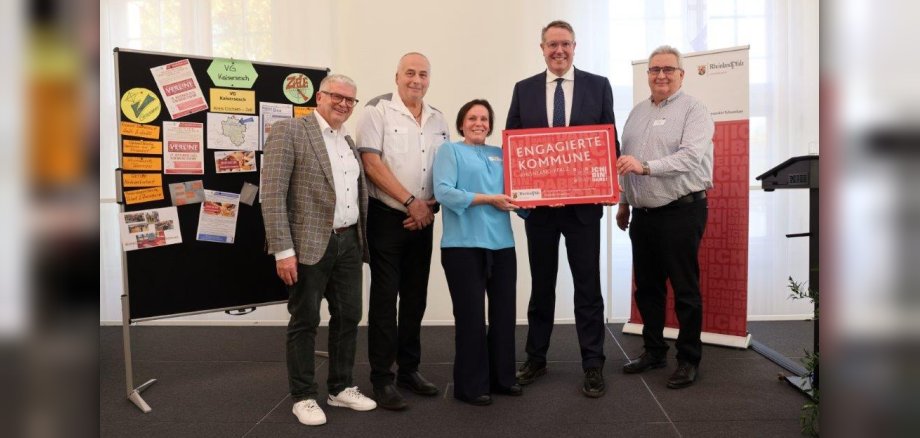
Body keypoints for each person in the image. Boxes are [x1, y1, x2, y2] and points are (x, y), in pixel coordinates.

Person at [505, 19, 619, 398]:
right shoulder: (523, 90)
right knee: (542, 286)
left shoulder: (598, 85)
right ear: (542, 48)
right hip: (540, 211)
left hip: (584, 209)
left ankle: (592, 364)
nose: (558, 50)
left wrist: (609, 186)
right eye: (552, 44)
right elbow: (514, 145)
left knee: (588, 287)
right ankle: (536, 358)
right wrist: (520, 194)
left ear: (575, 47)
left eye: (565, 44)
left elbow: (609, 140)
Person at [261, 74, 377, 426]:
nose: (343, 104)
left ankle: (340, 387)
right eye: (337, 96)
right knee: (306, 320)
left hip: (348, 242)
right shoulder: (290, 131)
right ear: (320, 96)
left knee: (349, 317)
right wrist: (283, 250)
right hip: (308, 245)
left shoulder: (347, 141)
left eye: (350, 100)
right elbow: (273, 194)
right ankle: (304, 396)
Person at [616, 45, 714, 389]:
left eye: (668, 69)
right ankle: (654, 351)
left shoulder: (695, 111)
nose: (661, 75)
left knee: (684, 289)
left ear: (681, 74)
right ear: (647, 75)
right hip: (642, 215)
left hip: (681, 211)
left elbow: (689, 158)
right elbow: (625, 162)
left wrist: (645, 167)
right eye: (655, 69)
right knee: (648, 288)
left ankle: (688, 359)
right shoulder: (637, 112)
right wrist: (624, 202)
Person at [356, 52, 450, 410]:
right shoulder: (376, 111)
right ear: (396, 76)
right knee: (384, 299)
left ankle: (409, 369)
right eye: (409, 73)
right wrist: (411, 201)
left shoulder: (439, 119)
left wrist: (429, 207)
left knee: (415, 297)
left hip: (424, 219)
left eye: (423, 74)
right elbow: (372, 164)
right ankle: (382, 378)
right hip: (388, 217)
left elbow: (445, 170)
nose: (416, 80)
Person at [433, 99, 520, 406]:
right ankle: (471, 386)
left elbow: (518, 195)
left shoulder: (501, 154)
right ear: (461, 123)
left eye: (484, 118)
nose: (479, 123)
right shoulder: (450, 151)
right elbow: (443, 192)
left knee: (504, 316)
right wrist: (489, 199)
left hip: (503, 246)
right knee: (471, 318)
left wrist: (546, 200)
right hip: (463, 247)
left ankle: (503, 378)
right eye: (472, 118)